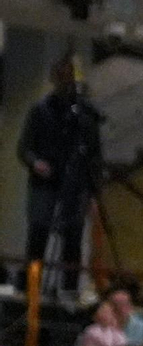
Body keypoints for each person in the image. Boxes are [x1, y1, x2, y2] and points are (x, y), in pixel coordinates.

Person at [17, 58, 101, 297]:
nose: (67, 83)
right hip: (44, 184)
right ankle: (30, 289)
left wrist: (94, 192)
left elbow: (94, 153)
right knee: (38, 237)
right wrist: (36, 163)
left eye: (70, 78)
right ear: (54, 79)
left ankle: (69, 291)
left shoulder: (84, 113)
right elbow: (24, 148)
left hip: (75, 186)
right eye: (62, 77)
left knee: (72, 240)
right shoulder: (40, 110)